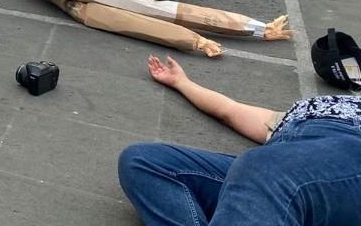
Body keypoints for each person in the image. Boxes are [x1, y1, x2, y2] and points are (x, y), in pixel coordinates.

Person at [118, 55, 361, 225]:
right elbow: (229, 111)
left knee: (263, 168)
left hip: (336, 159)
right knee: (142, 161)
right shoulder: (305, 112)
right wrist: (182, 83)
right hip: (281, 170)